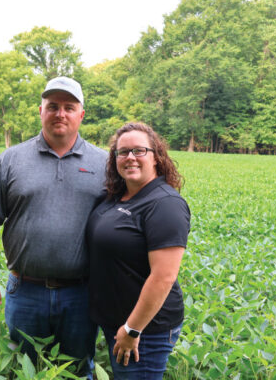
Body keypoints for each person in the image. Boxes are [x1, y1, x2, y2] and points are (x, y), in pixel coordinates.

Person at [0, 76, 107, 378]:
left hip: (82, 293)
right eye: (53, 106)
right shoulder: (10, 160)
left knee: (76, 370)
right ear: (40, 111)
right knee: (24, 370)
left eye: (69, 107)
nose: (61, 113)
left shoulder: (105, 164)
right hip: (26, 291)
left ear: (81, 115)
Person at [86, 122, 190, 379]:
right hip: (115, 323)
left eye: (139, 151)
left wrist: (132, 329)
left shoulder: (165, 204)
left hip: (145, 332)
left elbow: (163, 277)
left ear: (156, 157)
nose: (130, 157)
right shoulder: (116, 196)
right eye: (122, 152)